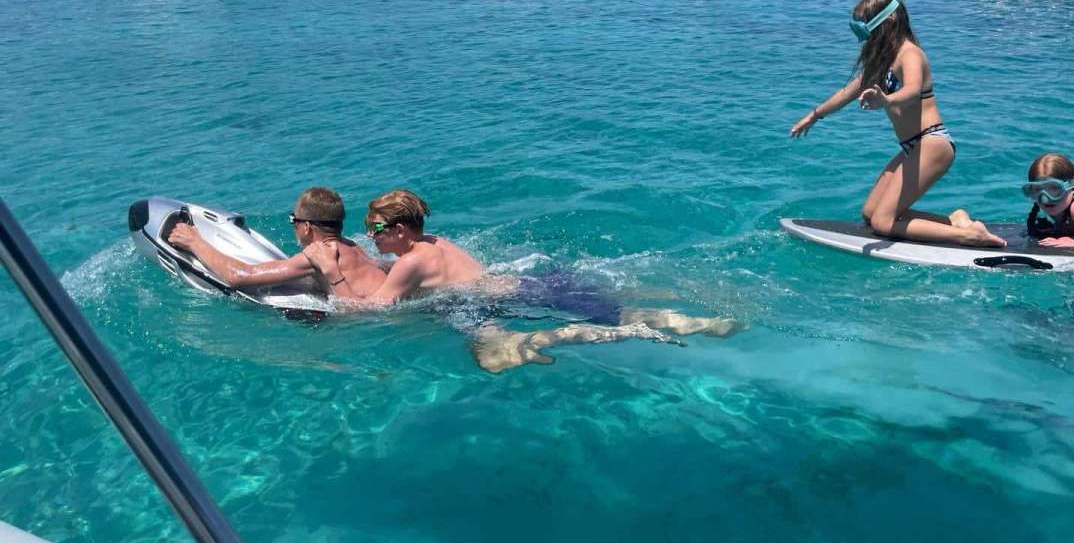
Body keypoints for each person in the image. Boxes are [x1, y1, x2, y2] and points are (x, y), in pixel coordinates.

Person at [305, 189, 740, 372]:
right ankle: (691, 320)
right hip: (530, 284)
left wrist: (333, 277)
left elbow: (378, 308)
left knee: (504, 351)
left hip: (501, 302)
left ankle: (644, 331)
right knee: (617, 305)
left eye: (376, 229)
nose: (370, 235)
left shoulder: (409, 262)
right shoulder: (434, 243)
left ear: (400, 230)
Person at [789, 0, 1003, 247]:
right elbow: (847, 93)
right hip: (913, 146)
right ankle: (954, 222)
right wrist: (814, 115)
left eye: (864, 23)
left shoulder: (910, 53)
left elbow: (912, 90)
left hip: (932, 143)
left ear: (887, 21)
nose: (861, 31)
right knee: (871, 214)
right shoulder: (884, 60)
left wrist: (887, 100)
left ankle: (969, 235)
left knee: (883, 222)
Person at [167, 186, 383, 292]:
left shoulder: (317, 257)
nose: (293, 225)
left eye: (293, 219)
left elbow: (238, 276)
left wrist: (194, 242)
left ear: (307, 227)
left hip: (365, 319)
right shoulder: (354, 247)